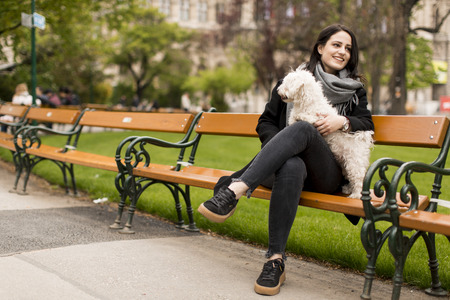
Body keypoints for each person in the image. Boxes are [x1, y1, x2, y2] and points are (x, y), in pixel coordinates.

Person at [197, 24, 374, 296]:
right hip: (286, 169)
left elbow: (366, 123)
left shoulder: (354, 90)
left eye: (348, 48)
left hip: (325, 174)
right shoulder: (291, 82)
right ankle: (275, 261)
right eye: (336, 45)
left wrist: (343, 121)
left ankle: (235, 189)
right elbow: (266, 123)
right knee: (292, 161)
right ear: (320, 47)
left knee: (303, 128)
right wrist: (282, 148)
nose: (342, 52)